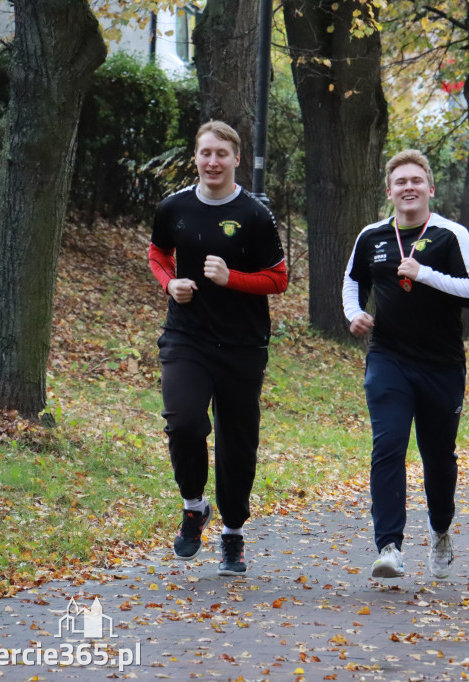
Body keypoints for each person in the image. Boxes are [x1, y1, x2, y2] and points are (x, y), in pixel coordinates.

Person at [148, 120, 289, 576]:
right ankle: (194, 506)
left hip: (243, 344)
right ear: (196, 157)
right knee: (184, 423)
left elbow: (279, 279)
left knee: (237, 443)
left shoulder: (254, 214)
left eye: (222, 154)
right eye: (206, 153)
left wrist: (233, 279)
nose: (213, 162)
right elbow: (157, 254)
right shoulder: (174, 207)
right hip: (187, 336)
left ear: (236, 159)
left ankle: (232, 532)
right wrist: (171, 285)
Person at [342, 149, 469, 580]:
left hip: (441, 364)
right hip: (388, 359)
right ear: (389, 191)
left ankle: (440, 530)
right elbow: (352, 282)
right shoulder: (371, 236)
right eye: (400, 181)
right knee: (388, 448)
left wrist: (425, 274)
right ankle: (389, 545)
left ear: (430, 189)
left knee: (437, 458)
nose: (408, 187)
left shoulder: (450, 234)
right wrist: (354, 315)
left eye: (415, 181)